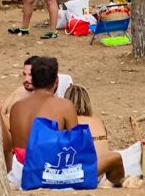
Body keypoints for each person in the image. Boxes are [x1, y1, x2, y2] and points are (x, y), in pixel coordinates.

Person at [10, 57, 124, 185]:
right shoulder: (64, 106)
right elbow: (76, 147)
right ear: (56, 82)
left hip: (20, 171)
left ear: (34, 80)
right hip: (48, 173)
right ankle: (116, 186)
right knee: (115, 158)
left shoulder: (16, 107)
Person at [64, 84, 126, 183]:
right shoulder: (98, 121)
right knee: (115, 156)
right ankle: (119, 182)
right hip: (99, 172)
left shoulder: (68, 121)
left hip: (78, 171)